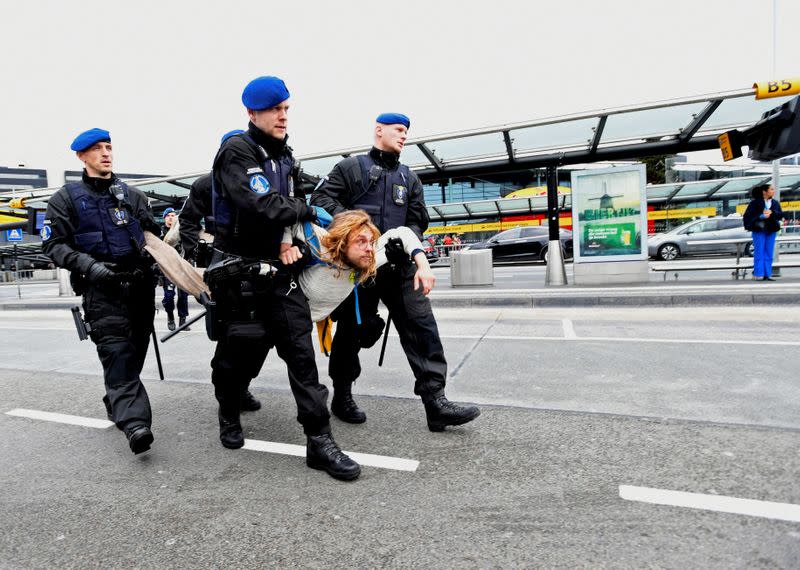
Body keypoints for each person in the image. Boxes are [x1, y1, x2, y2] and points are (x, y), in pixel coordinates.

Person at [208, 75, 359, 480]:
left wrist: (284, 242)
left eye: (287, 108)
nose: (283, 116)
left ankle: (319, 440)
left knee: (301, 356)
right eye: (276, 109)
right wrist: (303, 212)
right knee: (238, 355)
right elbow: (260, 204)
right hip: (239, 273)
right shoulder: (237, 151)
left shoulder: (285, 156)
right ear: (252, 113)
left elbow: (289, 204)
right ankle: (228, 410)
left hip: (280, 274)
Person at [311, 113, 480, 431]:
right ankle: (342, 395)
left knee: (422, 326)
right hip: (359, 269)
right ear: (379, 130)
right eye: (398, 130)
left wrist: (405, 240)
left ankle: (436, 403)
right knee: (352, 332)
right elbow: (320, 198)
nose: (404, 135)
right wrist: (352, 224)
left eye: (406, 131)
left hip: (399, 267)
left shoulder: (409, 178)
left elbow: (420, 219)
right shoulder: (351, 168)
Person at [41, 128, 159, 454]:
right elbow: (52, 244)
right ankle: (136, 424)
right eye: (97, 149)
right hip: (101, 291)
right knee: (118, 353)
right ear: (82, 156)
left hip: (139, 289)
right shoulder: (65, 199)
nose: (106, 153)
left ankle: (115, 398)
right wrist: (89, 266)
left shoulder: (133, 196)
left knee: (133, 355)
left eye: (108, 147)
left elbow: (152, 236)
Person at [178, 129, 262, 413]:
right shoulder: (205, 186)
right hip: (222, 274)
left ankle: (243, 387)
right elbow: (187, 220)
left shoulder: (261, 182)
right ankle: (228, 394)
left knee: (259, 338)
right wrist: (197, 254)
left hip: (257, 271)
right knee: (231, 339)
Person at [743, 183, 783, 281]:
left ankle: (767, 274)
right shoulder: (755, 203)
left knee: (769, 252)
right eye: (771, 189)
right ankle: (758, 273)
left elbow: (780, 215)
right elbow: (748, 216)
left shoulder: (774, 203)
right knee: (759, 252)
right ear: (765, 192)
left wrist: (772, 213)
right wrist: (761, 216)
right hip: (759, 230)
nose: (773, 191)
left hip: (771, 229)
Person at [159, 207, 189, 330]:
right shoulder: (160, 232)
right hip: (167, 269)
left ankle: (183, 321)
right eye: (168, 215)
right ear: (164, 218)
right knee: (169, 296)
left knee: (183, 295)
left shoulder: (180, 231)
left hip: (181, 267)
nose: (171, 217)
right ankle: (170, 317)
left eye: (173, 215)